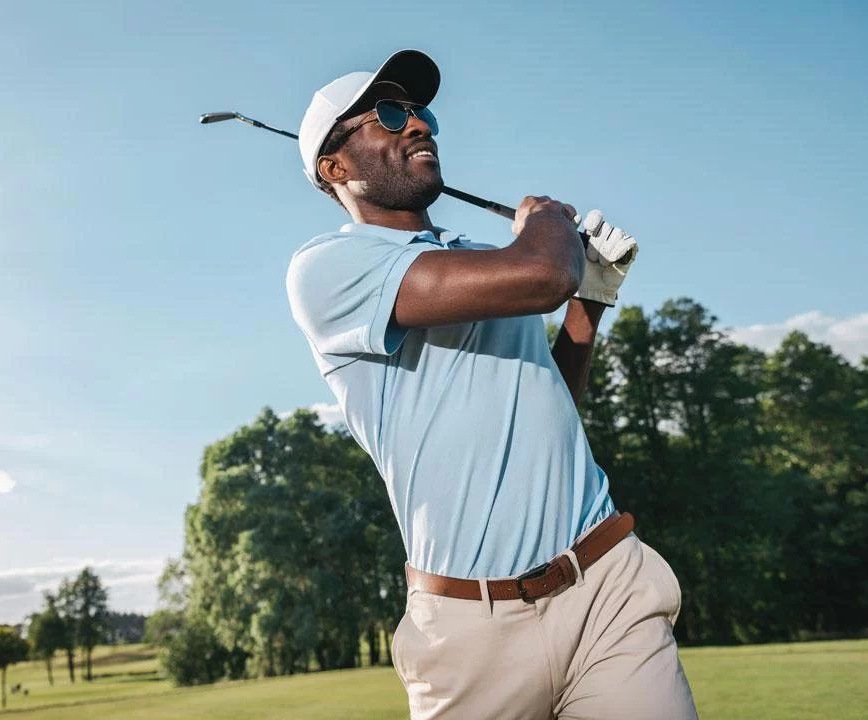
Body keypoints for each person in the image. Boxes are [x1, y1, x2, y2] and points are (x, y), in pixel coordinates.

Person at [286, 49, 698, 720]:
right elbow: (542, 274)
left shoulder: (485, 263)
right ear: (334, 168)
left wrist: (587, 305)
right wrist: (547, 221)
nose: (418, 125)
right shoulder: (329, 268)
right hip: (468, 628)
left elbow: (548, 401)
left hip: (606, 587)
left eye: (421, 113)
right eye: (389, 115)